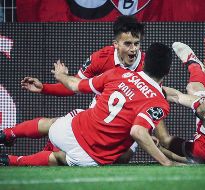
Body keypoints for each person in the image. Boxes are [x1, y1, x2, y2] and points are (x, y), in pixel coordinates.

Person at [0, 43, 176, 167]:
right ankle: (10, 160)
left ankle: (7, 134)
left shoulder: (117, 73)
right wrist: (167, 163)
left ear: (144, 61)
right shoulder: (159, 102)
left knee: (52, 124)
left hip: (68, 130)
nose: (132, 48)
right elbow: (138, 131)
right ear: (168, 71)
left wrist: (61, 76)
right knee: (60, 158)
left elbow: (76, 85)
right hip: (91, 155)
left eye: (136, 43)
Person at [1, 15, 146, 163]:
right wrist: (44, 88)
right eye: (127, 44)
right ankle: (7, 134)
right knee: (55, 125)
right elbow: (73, 87)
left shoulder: (147, 66)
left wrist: (147, 131)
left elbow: (151, 103)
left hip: (125, 126)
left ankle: (10, 160)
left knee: (123, 157)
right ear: (116, 44)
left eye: (136, 43)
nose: (133, 49)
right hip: (98, 115)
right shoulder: (101, 58)